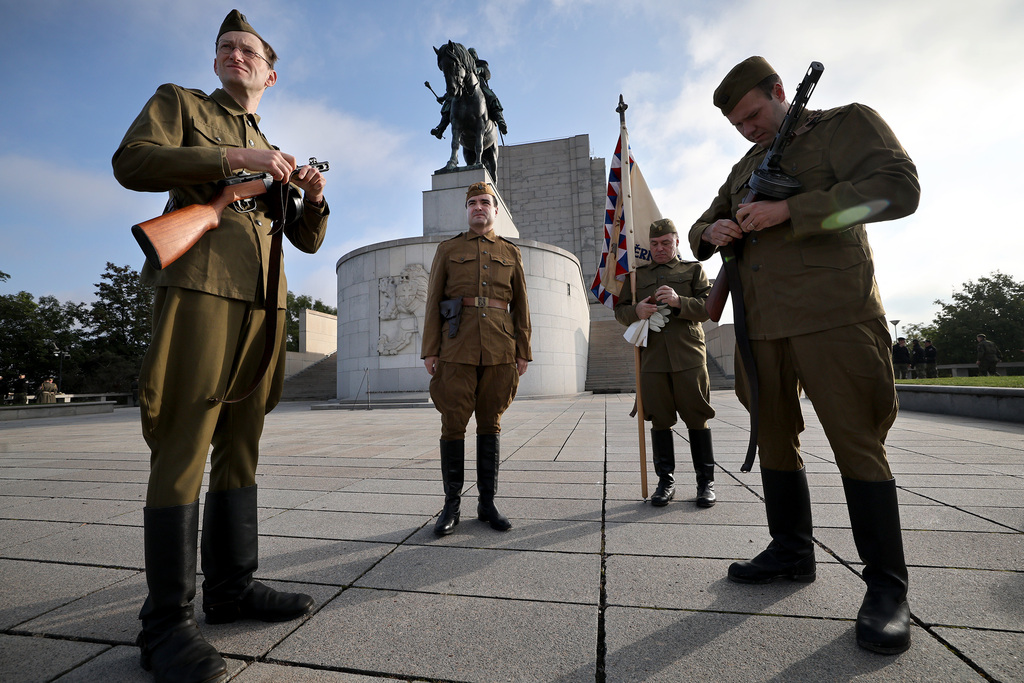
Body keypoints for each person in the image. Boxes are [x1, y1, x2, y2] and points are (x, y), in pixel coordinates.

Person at [111, 10, 329, 683]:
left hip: (264, 307)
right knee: (183, 439)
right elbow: (133, 162)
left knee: (242, 439)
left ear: (271, 72)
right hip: (202, 289)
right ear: (216, 64)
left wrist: (312, 198)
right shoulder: (181, 103)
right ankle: (165, 626)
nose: (236, 55)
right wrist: (236, 159)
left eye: (249, 50)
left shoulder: (272, 142)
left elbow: (306, 240)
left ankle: (231, 587)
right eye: (226, 48)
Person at [689, 56, 920, 655]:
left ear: (779, 90)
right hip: (761, 326)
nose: (748, 130)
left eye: (755, 115)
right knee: (771, 434)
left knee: (855, 438)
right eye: (737, 124)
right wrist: (713, 231)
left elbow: (896, 192)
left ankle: (887, 590)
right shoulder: (745, 166)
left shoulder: (845, 125)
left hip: (833, 314)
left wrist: (794, 210)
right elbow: (699, 226)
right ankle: (790, 551)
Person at [422, 181, 531, 536]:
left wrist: (523, 349)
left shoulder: (510, 253)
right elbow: (433, 300)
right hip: (457, 347)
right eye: (472, 203)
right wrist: (431, 349)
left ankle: (487, 503)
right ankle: (451, 505)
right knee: (453, 422)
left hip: (500, 348)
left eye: (485, 202)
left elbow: (522, 306)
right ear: (466, 210)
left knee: (491, 423)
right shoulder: (449, 249)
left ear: (495, 210)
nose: (478, 208)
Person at [614, 218, 717, 507]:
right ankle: (665, 482)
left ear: (676, 242)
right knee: (660, 420)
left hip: (688, 356)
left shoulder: (693, 270)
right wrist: (636, 309)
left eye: (666, 243)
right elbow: (620, 311)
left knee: (697, 418)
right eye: (655, 244)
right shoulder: (637, 276)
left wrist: (678, 301)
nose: (660, 248)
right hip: (653, 358)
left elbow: (709, 308)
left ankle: (705, 482)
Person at [431, 47, 508, 139]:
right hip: (464, 88)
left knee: (491, 96)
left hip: (479, 85)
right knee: (450, 100)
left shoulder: (482, 63)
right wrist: (444, 97)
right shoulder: (463, 65)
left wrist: (480, 70)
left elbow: (488, 74)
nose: (472, 55)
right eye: (470, 53)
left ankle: (500, 120)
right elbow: (456, 82)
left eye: (474, 53)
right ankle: (441, 127)